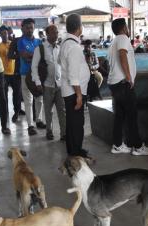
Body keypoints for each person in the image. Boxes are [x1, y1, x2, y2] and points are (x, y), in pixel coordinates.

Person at [107, 18, 148, 156]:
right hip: (123, 84)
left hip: (115, 84)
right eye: (127, 26)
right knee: (132, 116)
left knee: (120, 116)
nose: (128, 29)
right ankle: (138, 147)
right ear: (123, 28)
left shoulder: (113, 42)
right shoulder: (122, 38)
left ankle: (117, 145)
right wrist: (128, 77)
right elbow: (122, 55)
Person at [58, 13, 91, 158]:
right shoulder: (74, 47)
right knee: (77, 124)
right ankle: (77, 153)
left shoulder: (65, 43)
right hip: (74, 92)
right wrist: (78, 94)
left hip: (68, 89)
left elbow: (60, 62)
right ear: (79, 28)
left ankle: (72, 149)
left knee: (72, 122)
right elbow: (73, 74)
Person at [32, 25, 66, 141]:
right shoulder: (40, 49)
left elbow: (62, 65)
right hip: (46, 85)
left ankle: (64, 133)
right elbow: (34, 67)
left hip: (59, 84)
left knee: (62, 110)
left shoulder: (59, 48)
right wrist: (37, 82)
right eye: (53, 32)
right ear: (47, 34)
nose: (56, 35)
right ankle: (49, 131)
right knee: (48, 111)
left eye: (57, 32)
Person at [17, 18, 46, 136]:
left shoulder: (39, 42)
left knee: (39, 98)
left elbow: (42, 57)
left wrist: (32, 56)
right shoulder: (20, 42)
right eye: (27, 27)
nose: (30, 30)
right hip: (25, 74)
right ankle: (30, 125)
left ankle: (38, 120)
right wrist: (36, 56)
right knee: (28, 100)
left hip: (37, 75)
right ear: (22, 28)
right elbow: (24, 56)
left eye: (31, 27)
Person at [0, 25, 22, 124]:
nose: (5, 35)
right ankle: (6, 113)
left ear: (8, 33)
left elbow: (17, 55)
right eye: (3, 34)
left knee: (17, 94)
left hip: (14, 73)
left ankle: (17, 112)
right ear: (0, 35)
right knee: (4, 95)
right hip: (3, 73)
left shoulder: (12, 44)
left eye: (6, 33)